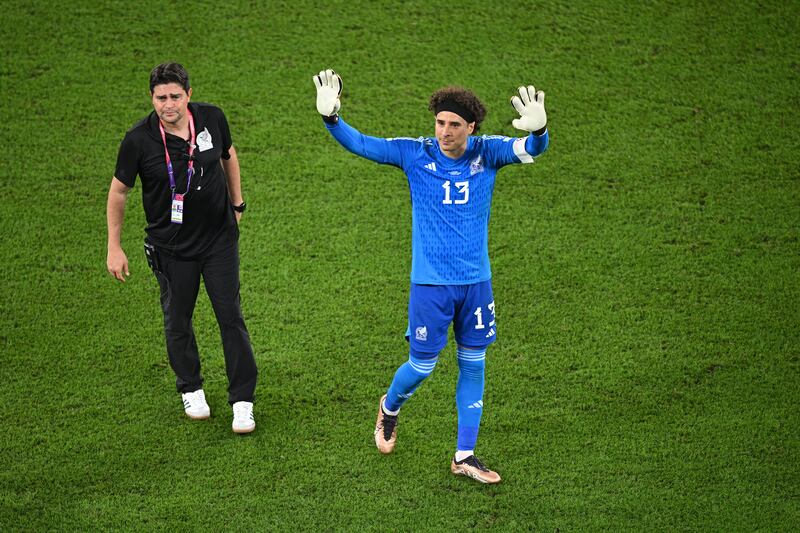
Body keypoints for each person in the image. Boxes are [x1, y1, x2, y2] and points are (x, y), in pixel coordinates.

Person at [313, 69, 550, 484]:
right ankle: (389, 407)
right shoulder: (414, 153)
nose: (444, 131)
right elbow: (364, 145)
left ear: (470, 127)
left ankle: (465, 455)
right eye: (440, 122)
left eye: (454, 125)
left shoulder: (486, 152)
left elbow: (529, 147)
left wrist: (541, 130)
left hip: (477, 283)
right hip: (431, 285)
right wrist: (333, 120)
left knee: (473, 364)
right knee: (421, 367)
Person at [107, 62, 258, 434]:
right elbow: (119, 192)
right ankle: (191, 387)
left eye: (175, 96)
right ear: (152, 98)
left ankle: (242, 400)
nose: (168, 104)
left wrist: (237, 204)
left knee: (231, 317)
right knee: (178, 321)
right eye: (161, 98)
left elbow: (229, 157)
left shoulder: (212, 118)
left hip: (219, 241)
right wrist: (114, 246)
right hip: (171, 249)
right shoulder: (138, 140)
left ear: (188, 95)